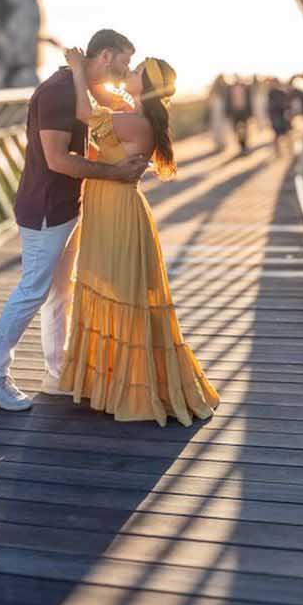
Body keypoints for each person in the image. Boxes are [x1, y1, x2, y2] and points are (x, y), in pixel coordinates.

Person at [0, 29, 147, 412]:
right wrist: (115, 173)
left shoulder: (78, 86)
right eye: (124, 61)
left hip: (66, 205)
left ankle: (56, 373)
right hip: (46, 207)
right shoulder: (57, 92)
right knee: (32, 291)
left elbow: (106, 112)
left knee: (59, 293)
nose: (126, 69)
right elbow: (57, 160)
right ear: (104, 56)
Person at [58, 49, 219, 425]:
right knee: (109, 290)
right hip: (108, 207)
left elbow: (85, 114)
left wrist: (78, 71)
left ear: (144, 85)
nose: (128, 71)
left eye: (136, 70)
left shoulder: (134, 120)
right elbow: (100, 106)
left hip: (118, 212)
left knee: (120, 294)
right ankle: (110, 384)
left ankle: (129, 389)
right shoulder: (133, 114)